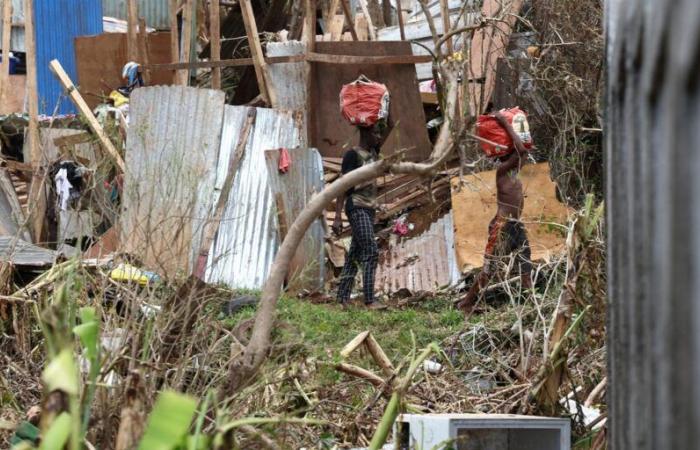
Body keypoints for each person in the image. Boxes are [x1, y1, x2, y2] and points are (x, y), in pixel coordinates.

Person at [458, 111, 533, 314]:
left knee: (525, 258)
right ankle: (466, 303)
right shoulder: (504, 169)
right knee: (489, 269)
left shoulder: (513, 169)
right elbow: (522, 151)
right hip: (501, 225)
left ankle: (530, 301)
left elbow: (521, 151)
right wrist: (502, 122)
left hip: (514, 224)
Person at [333, 119, 393, 309]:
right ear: (365, 133)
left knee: (355, 254)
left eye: (378, 134)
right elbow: (343, 186)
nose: (378, 137)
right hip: (356, 206)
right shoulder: (352, 155)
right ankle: (369, 300)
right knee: (371, 251)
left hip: (368, 208)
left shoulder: (373, 153)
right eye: (375, 133)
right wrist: (336, 217)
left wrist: (386, 103)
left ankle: (342, 298)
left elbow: (389, 127)